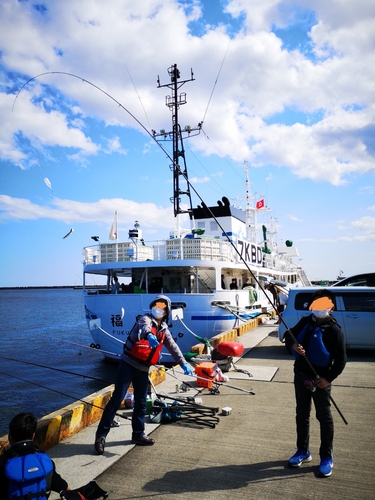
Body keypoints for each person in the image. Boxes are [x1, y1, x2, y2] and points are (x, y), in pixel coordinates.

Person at [94, 294, 194, 454]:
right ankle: (100, 436)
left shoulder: (164, 330)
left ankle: (138, 434)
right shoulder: (145, 319)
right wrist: (149, 336)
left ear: (167, 311)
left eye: (162, 307)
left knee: (141, 402)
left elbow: (173, 347)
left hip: (143, 369)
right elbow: (144, 329)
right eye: (156, 306)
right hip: (128, 364)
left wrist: (183, 363)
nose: (158, 309)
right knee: (117, 399)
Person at [284, 289, 347, 477]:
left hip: (321, 380)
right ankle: (302, 451)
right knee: (302, 414)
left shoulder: (334, 331)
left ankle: (326, 457)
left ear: (331, 308)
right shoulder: (305, 322)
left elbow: (341, 361)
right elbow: (288, 336)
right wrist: (293, 345)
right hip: (301, 376)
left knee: (324, 417)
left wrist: (327, 379)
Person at [0, 412, 69, 499]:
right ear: (33, 435)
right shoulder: (44, 461)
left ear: (10, 437)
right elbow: (61, 485)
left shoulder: (3, 462)